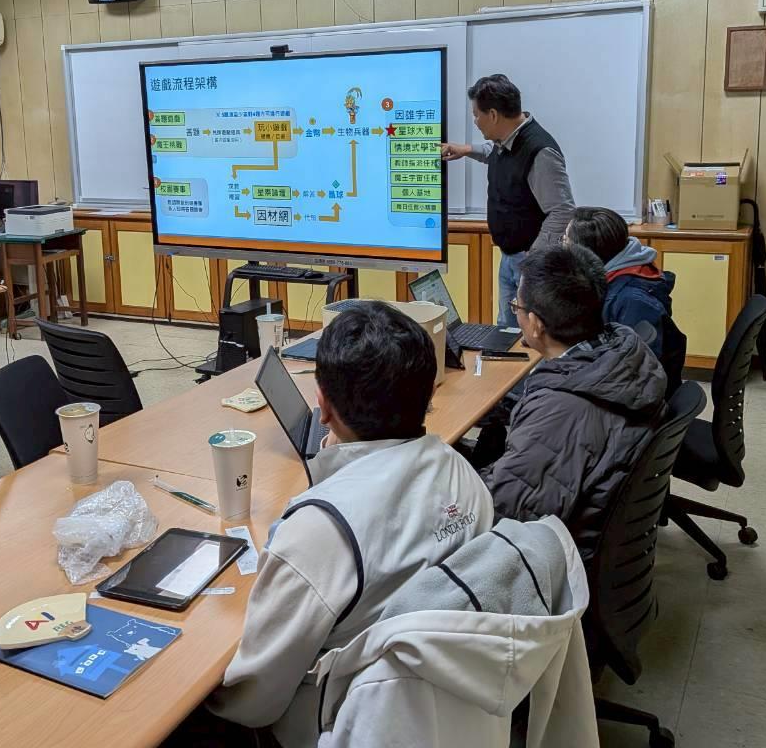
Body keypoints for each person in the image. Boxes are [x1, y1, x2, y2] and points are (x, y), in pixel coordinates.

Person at [205, 301, 494, 748]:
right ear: (428, 397)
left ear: (322, 406)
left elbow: (253, 704)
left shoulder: (320, 532)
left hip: (346, 723)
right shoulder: (464, 474)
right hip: (452, 709)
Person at [477, 245, 666, 565]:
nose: (516, 313)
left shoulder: (560, 415)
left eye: (516, 306)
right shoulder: (624, 347)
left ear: (535, 324)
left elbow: (502, 512)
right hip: (593, 515)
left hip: (559, 554)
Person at [441, 74, 574, 328]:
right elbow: (495, 152)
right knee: (506, 331)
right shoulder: (506, 140)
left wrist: (534, 258)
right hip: (509, 256)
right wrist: (466, 150)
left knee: (529, 334)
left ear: (493, 115)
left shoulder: (540, 152)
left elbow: (562, 210)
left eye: (476, 115)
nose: (475, 121)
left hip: (530, 262)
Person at [566, 206, 686, 397]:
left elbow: (638, 375)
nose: (563, 249)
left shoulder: (632, 301)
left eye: (566, 242)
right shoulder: (611, 277)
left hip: (635, 402)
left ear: (587, 253)